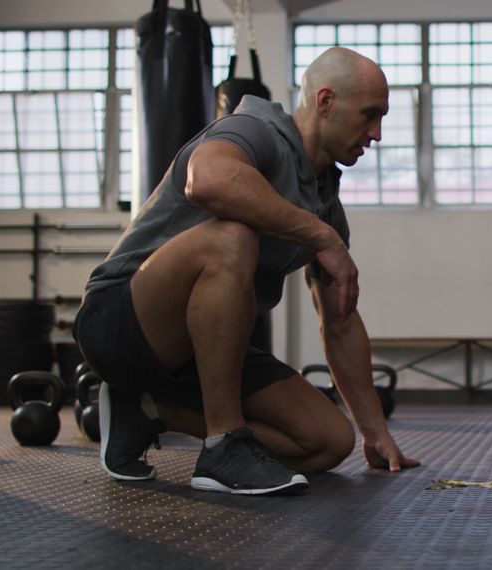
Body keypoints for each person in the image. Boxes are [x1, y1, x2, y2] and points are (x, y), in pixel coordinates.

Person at [73, 47, 418, 496]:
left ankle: (147, 409)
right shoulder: (255, 130)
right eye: (370, 115)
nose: (376, 134)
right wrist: (322, 238)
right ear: (326, 101)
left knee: (327, 442)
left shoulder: (324, 202)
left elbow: (341, 322)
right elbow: (209, 179)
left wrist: (375, 432)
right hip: (119, 325)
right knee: (232, 238)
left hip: (201, 352)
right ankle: (222, 447)